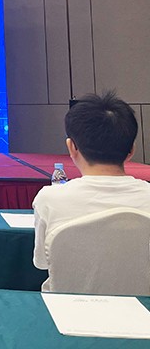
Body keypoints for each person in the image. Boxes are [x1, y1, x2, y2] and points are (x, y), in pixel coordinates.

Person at [32, 91, 150, 276]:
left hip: (66, 296)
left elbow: (42, 262)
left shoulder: (49, 199)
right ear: (131, 150)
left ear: (72, 147)